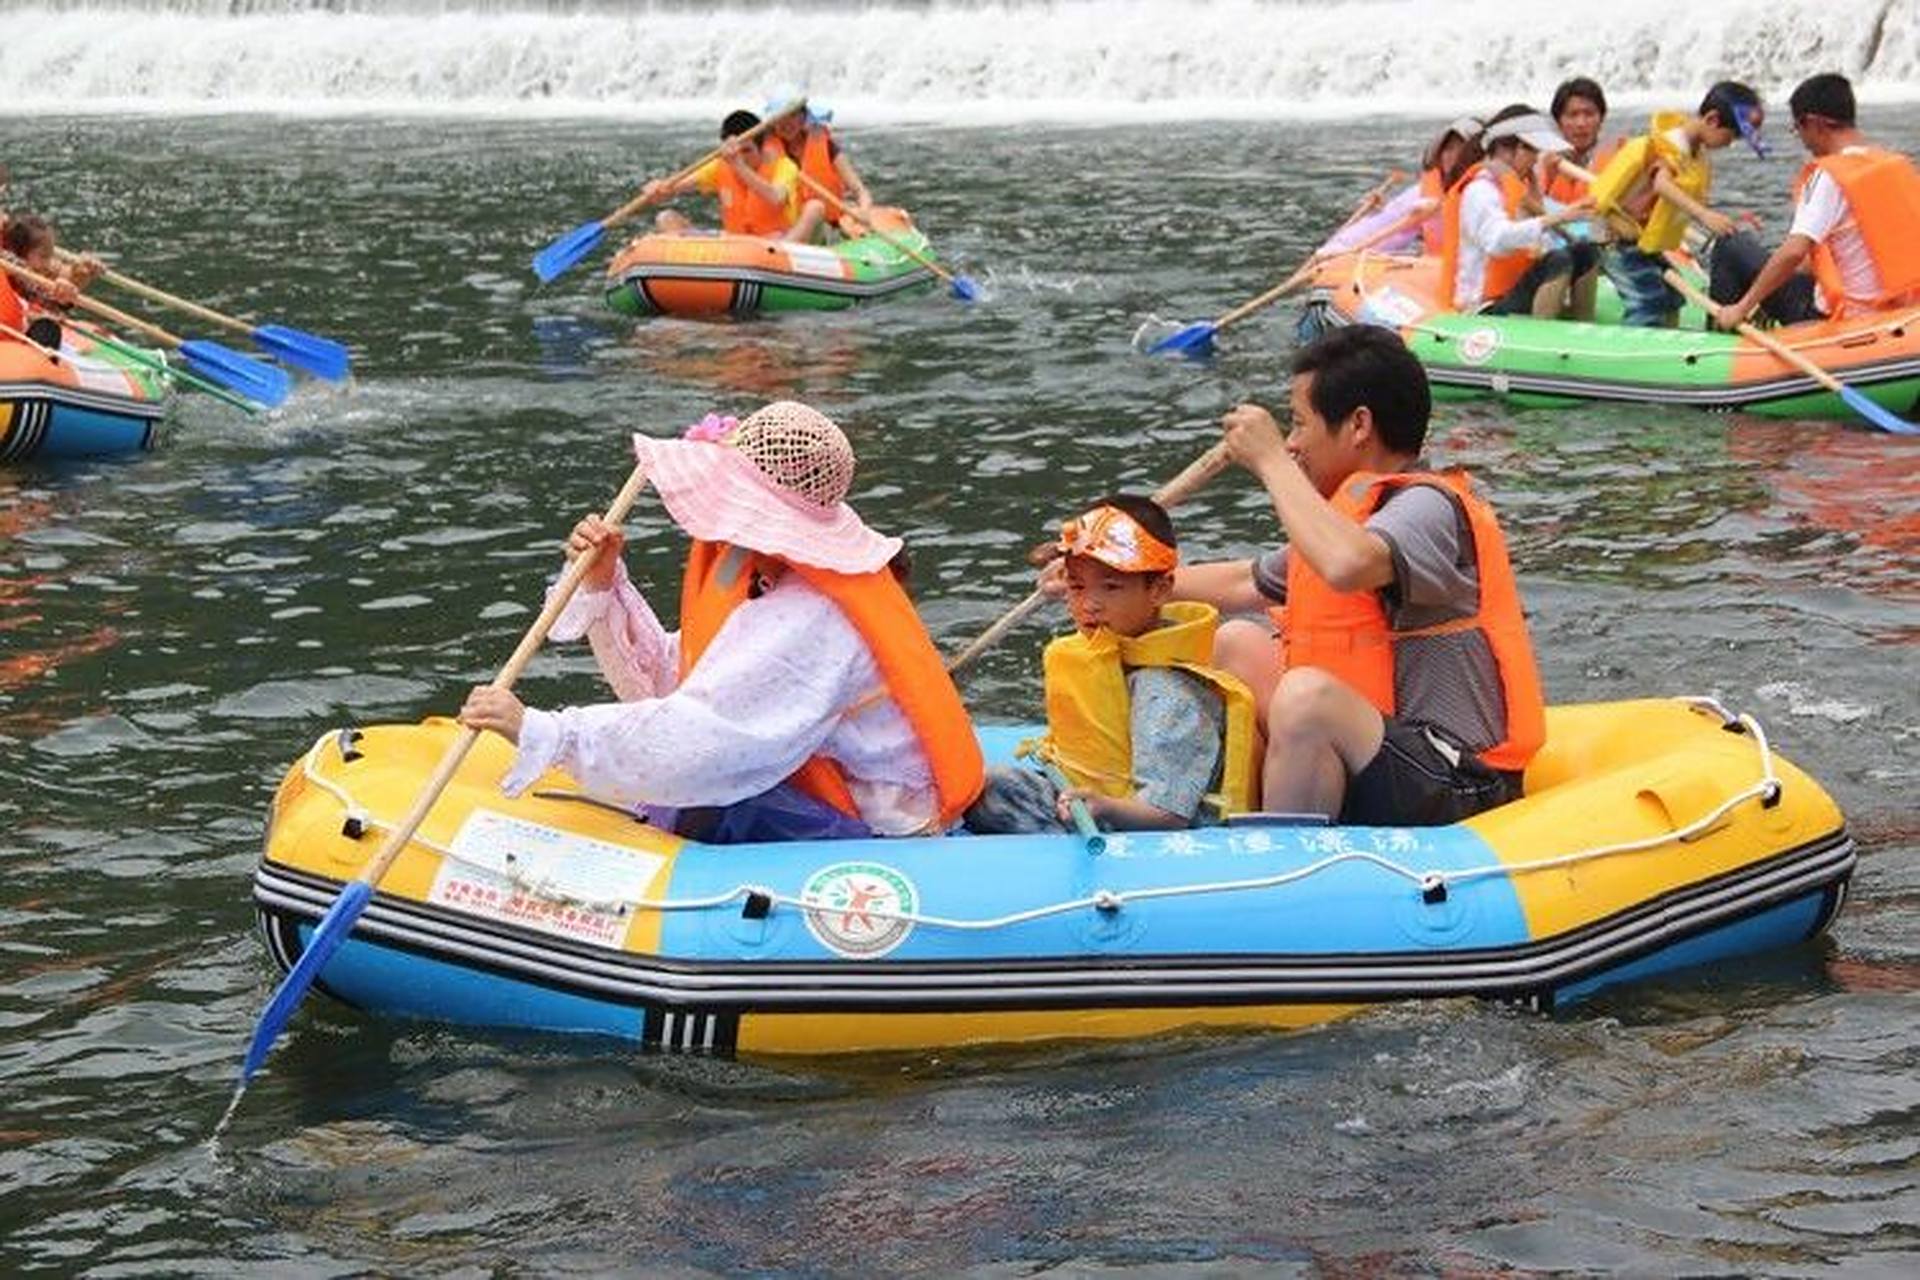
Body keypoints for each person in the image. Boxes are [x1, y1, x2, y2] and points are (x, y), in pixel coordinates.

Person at [458, 400, 983, 843]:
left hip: (876, 821)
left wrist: (547, 732)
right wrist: (604, 582)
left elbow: (705, 735)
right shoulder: (771, 578)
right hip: (803, 777)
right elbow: (677, 675)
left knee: (704, 808)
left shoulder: (813, 614)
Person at [1166, 326, 1546, 825]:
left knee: (1305, 698)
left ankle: (1287, 868)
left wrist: (1270, 461)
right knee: (1237, 642)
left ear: (1359, 425)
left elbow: (1348, 565)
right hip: (1380, 758)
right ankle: (1224, 818)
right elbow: (1244, 583)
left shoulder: (1427, 506)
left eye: (1300, 424)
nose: (1294, 443)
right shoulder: (1345, 519)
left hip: (1458, 779)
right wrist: (1119, 570)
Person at [964, 495, 1258, 835]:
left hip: (1135, 829)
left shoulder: (1167, 694)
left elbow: (1170, 814)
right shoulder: (1105, 655)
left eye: (1111, 587)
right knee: (983, 785)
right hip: (1091, 797)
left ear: (1160, 590)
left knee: (994, 792)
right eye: (1076, 586)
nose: (1089, 604)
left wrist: (1105, 808)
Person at [1711, 73, 1920, 329]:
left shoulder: (1829, 176)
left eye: (1798, 129)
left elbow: (1794, 252)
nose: (1801, 139)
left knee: (1730, 246)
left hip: (1845, 317)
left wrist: (1742, 307)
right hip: (1900, 308)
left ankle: (1721, 336)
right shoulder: (1895, 166)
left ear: (1814, 123)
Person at [1588, 81, 1764, 326]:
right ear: (1712, 120)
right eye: (1731, 136)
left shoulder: (1695, 154)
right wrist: (1704, 216)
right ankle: (1634, 352)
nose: (1730, 143)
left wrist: (1730, 218)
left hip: (1642, 243)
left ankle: (1667, 345)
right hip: (1615, 240)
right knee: (1647, 302)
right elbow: (1662, 184)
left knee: (1672, 297)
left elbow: (1683, 202)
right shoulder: (1669, 146)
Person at [1439, 105, 1597, 317]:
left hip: (1515, 290)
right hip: (1485, 304)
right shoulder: (1481, 189)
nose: (1535, 158)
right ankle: (1543, 334)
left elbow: (1541, 243)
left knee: (1585, 251)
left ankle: (1582, 320)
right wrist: (1557, 217)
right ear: (1508, 148)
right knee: (1558, 260)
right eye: (1532, 150)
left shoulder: (1519, 186)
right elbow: (1496, 241)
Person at [642, 109, 825, 243]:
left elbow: (775, 197)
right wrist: (659, 188)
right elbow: (677, 186)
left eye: (747, 151)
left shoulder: (784, 166)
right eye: (738, 153)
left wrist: (738, 165)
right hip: (734, 245)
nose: (742, 158)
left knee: (815, 207)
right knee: (665, 218)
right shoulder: (721, 164)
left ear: (761, 148)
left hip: (776, 243)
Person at [1322, 116, 1481, 257]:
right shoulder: (1425, 193)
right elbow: (1387, 221)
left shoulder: (1489, 190)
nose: (1454, 157)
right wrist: (1341, 247)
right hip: (1438, 269)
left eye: (1463, 150)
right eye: (1449, 149)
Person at [766, 98, 876, 240]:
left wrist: (864, 210)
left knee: (814, 208)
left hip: (823, 226)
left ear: (803, 117)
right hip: (782, 229)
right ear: (772, 122)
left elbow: (859, 190)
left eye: (792, 116)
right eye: (780, 118)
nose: (786, 123)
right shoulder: (764, 150)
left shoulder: (826, 146)